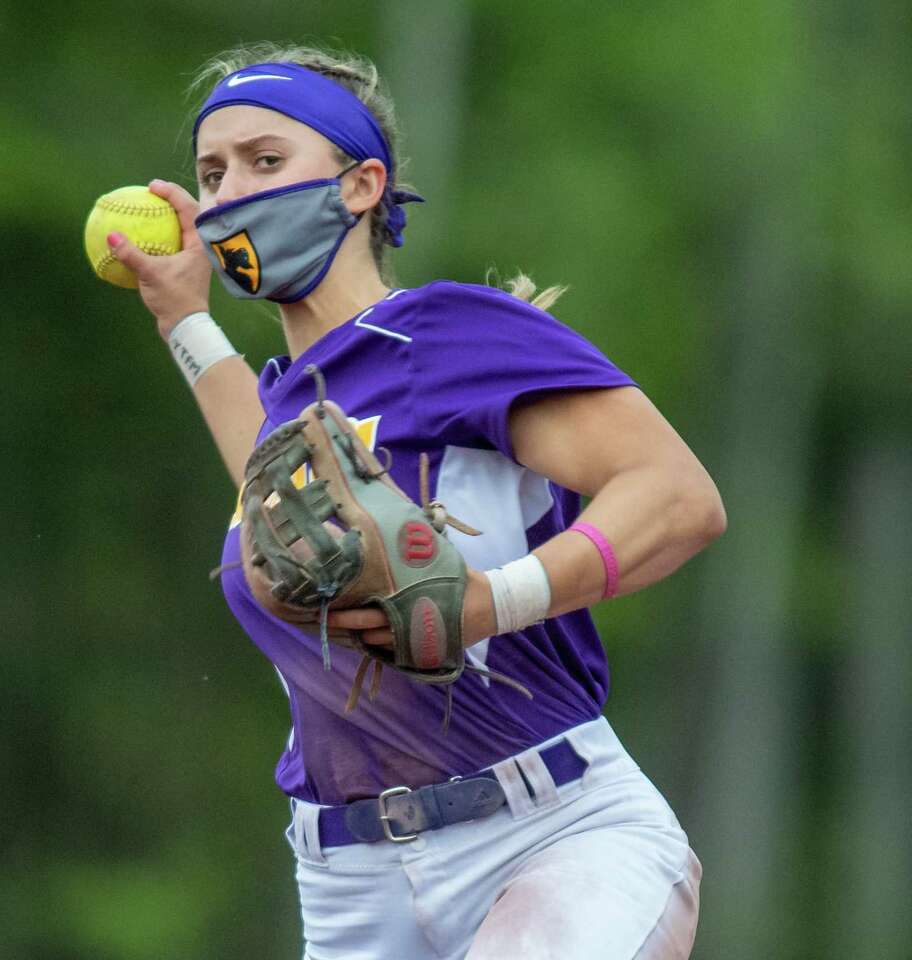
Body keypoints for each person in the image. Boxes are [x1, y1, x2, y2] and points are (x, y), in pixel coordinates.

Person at [110, 42, 725, 960]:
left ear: (361, 186)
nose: (228, 191)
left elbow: (678, 497)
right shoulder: (296, 413)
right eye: (213, 171)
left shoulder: (440, 333)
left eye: (264, 160)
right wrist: (185, 323)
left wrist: (491, 600)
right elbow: (271, 483)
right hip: (348, 886)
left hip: (551, 836)